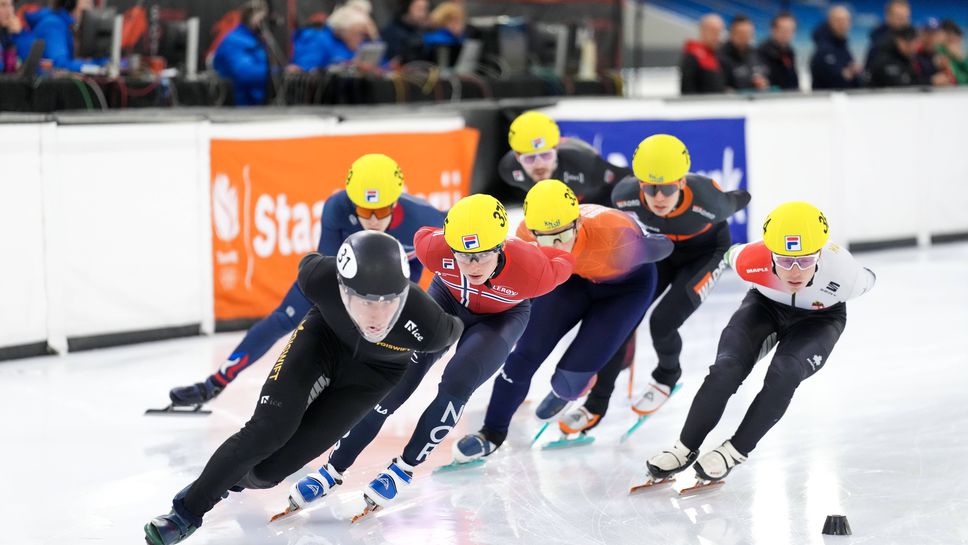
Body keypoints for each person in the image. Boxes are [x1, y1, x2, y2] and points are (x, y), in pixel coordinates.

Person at [143, 231, 463, 545]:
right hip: (320, 344)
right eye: (364, 301)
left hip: (374, 376)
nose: (376, 316)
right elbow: (308, 261)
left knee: (268, 473)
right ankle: (185, 513)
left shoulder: (431, 327)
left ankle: (227, 478)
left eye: (389, 302)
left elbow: (463, 324)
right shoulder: (319, 278)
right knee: (268, 431)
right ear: (342, 288)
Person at [279, 194, 575, 515]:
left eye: (481, 257)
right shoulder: (433, 248)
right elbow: (414, 238)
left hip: (500, 320)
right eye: (463, 256)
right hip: (446, 304)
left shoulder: (536, 272)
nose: (472, 266)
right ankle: (332, 469)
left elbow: (566, 257)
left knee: (457, 382)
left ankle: (403, 468)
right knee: (394, 381)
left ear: (501, 246)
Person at [166, 154, 445, 408]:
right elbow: (330, 271)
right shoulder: (337, 206)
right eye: (363, 210)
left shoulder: (425, 219)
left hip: (394, 279)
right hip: (343, 273)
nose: (372, 220)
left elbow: (446, 251)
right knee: (284, 319)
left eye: (382, 211)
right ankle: (214, 383)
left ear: (396, 202)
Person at [643, 202, 875, 487]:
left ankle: (735, 451)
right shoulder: (750, 258)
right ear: (769, 254)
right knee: (725, 369)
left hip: (820, 319)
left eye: (805, 260)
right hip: (765, 307)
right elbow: (724, 254)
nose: (794, 271)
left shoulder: (845, 274)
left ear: (821, 253)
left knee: (786, 371)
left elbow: (870, 279)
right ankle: (683, 447)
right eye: (784, 260)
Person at [452, 180, 674, 461]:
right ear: (531, 231)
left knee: (567, 381)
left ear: (578, 224)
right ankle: (491, 433)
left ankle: (574, 384)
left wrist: (648, 244)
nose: (556, 245)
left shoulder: (615, 235)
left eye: (562, 235)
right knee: (523, 356)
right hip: (572, 281)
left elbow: (663, 248)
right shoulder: (524, 234)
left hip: (625, 291)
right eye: (545, 238)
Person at [560, 134, 751, 435]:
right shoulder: (624, 195)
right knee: (621, 321)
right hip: (661, 253)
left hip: (704, 255)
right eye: (650, 188)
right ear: (639, 185)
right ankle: (596, 404)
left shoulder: (709, 201)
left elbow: (742, 197)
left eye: (667, 188)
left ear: (682, 184)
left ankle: (666, 375)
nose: (659, 197)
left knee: (663, 322)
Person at [498, 110, 630, 207]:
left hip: (598, 200)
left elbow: (627, 178)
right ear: (517, 157)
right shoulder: (509, 170)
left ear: (556, 150)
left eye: (546, 155)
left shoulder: (585, 165)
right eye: (529, 159)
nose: (539, 165)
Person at [212, 0, 270, 106]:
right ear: (252, 16)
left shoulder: (255, 39)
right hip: (240, 107)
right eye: (262, 19)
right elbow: (245, 73)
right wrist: (276, 75)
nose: (264, 24)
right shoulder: (235, 40)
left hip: (257, 104)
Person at [291, 3, 375, 72]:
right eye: (359, 34)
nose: (362, 39)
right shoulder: (318, 39)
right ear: (344, 30)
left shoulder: (345, 43)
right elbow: (304, 71)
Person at [25, 0, 104, 72]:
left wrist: (103, 63)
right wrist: (99, 67)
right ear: (71, 3)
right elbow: (60, 64)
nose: (91, 8)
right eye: (88, 3)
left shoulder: (70, 26)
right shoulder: (53, 25)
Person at [810, 5, 862, 90]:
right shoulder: (823, 49)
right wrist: (847, 74)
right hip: (825, 100)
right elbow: (830, 81)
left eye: (846, 20)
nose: (843, 24)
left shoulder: (843, 47)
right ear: (830, 22)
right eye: (838, 20)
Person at [718, 15, 769, 92]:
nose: (745, 37)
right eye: (741, 33)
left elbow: (765, 75)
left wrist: (763, 83)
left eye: (748, 33)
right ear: (732, 33)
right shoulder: (720, 56)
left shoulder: (756, 54)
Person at [680, 13, 726, 95]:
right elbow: (687, 91)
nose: (718, 37)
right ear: (703, 30)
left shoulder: (716, 54)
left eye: (720, 32)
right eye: (714, 32)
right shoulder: (692, 55)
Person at [757, 12, 799, 90]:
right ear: (773, 30)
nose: (787, 34)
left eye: (791, 30)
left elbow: (794, 81)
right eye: (783, 30)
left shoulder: (790, 51)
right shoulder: (762, 52)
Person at [865, 0, 911, 71]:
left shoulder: (912, 36)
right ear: (888, 16)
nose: (903, 21)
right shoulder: (878, 40)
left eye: (905, 17)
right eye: (899, 17)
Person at [380, 0, 429, 66]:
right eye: (419, 9)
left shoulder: (423, 30)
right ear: (406, 7)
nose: (422, 14)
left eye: (425, 9)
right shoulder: (391, 31)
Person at [0, 0, 33, 73]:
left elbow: (31, 63)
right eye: (3, 5)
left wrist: (19, 34)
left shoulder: (16, 32)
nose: (9, 10)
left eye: (11, 5)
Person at [938, 20, 968, 84]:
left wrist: (961, 59)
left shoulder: (959, 55)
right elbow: (955, 81)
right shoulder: (940, 53)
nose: (958, 45)